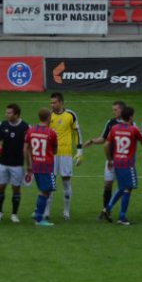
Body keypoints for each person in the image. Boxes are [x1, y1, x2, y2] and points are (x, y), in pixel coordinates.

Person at [101, 105, 142, 226]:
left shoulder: (114, 128)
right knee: (128, 188)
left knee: (122, 187)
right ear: (131, 117)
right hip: (128, 163)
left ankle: (107, 208)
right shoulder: (134, 129)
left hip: (117, 161)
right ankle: (122, 216)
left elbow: (106, 145)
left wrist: (110, 160)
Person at [82, 100, 125, 218]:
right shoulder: (110, 122)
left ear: (122, 110)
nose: (114, 112)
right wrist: (92, 141)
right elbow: (103, 139)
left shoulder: (130, 123)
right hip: (111, 159)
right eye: (113, 110)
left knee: (124, 187)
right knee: (107, 185)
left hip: (123, 160)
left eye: (116, 109)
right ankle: (106, 210)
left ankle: (122, 213)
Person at [47, 92, 83, 221]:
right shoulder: (48, 115)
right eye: (51, 102)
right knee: (50, 183)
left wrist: (79, 151)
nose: (52, 105)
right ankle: (46, 212)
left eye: (54, 102)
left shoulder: (70, 115)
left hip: (66, 154)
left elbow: (77, 132)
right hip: (51, 154)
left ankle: (66, 212)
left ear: (61, 102)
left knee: (66, 182)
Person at [0, 103, 29, 223]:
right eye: (6, 112)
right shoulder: (2, 125)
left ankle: (14, 214)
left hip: (17, 164)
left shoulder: (25, 127)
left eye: (9, 113)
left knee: (16, 189)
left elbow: (27, 146)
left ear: (16, 114)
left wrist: (29, 164)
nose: (6, 115)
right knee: (0, 188)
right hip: (3, 163)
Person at [24, 108, 59, 227]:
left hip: (35, 165)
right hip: (46, 166)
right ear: (49, 118)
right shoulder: (52, 132)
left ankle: (37, 213)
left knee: (43, 190)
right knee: (46, 191)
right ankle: (39, 218)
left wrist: (28, 164)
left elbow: (25, 148)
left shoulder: (31, 130)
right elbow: (55, 150)